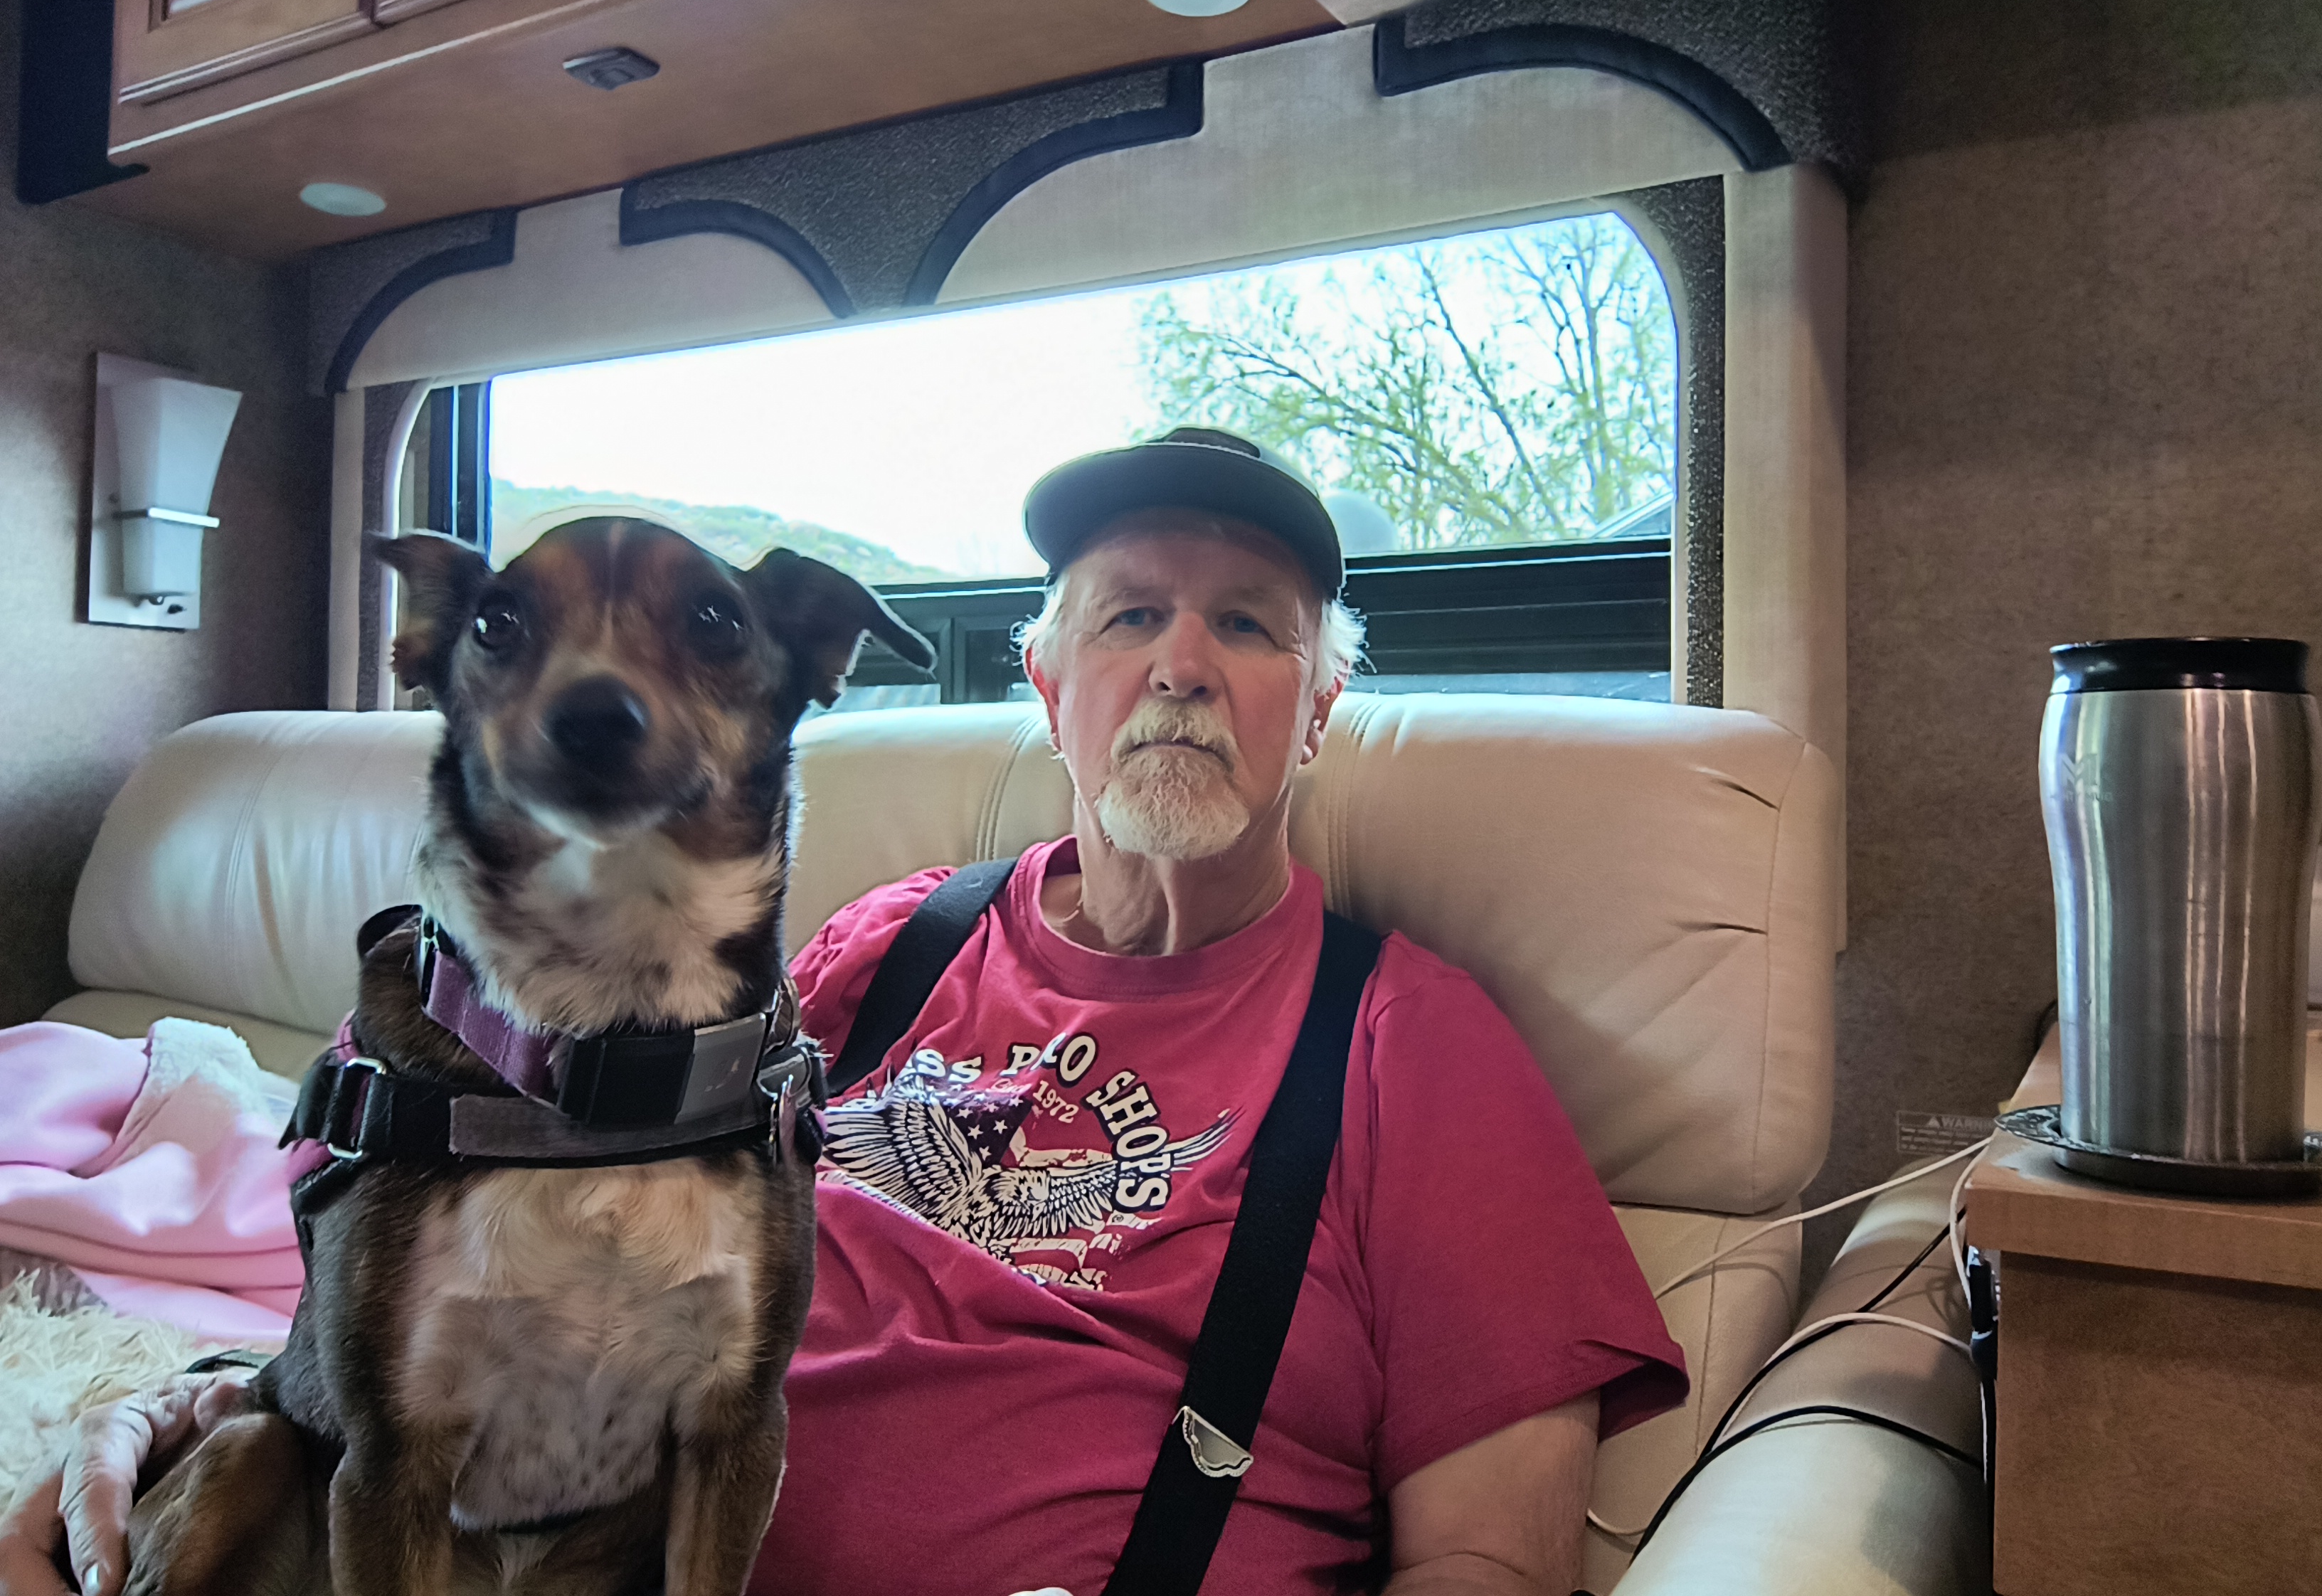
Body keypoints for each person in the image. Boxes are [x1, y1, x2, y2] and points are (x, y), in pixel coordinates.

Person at [1, 429, 1684, 1596]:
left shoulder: (1413, 1047)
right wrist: (191, 1405)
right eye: (1129, 617)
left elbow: (1487, 1560)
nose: (1181, 663)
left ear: (1318, 711)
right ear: (1048, 689)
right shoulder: (880, 949)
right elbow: (483, 1247)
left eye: (1248, 626)